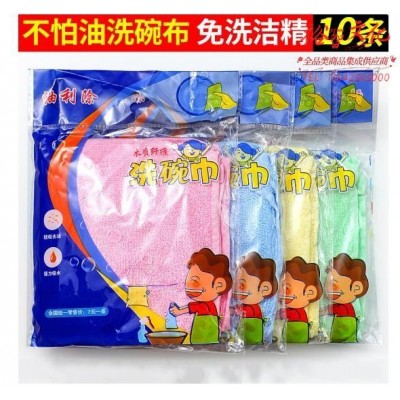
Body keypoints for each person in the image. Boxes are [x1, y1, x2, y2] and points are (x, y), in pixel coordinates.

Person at [170, 248, 232, 344]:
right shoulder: (210, 305)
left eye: (195, 283)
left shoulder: (206, 305)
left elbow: (193, 307)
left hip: (203, 338)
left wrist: (179, 311)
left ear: (219, 285)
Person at [233, 252, 278, 345]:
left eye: (241, 285)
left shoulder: (254, 308)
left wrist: (235, 310)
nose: (236, 289)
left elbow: (247, 312)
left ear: (264, 289)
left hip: (253, 336)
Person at [324, 253, 369, 343]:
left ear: (356, 288)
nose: (327, 290)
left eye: (333, 286)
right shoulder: (340, 306)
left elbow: (335, 309)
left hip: (344, 333)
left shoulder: (345, 307)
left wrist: (322, 311)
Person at [279, 257, 323, 343]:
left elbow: (288, 314)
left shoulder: (297, 312)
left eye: (287, 289)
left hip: (297, 333)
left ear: (309, 293)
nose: (281, 293)